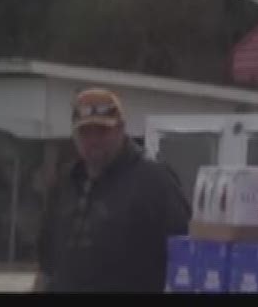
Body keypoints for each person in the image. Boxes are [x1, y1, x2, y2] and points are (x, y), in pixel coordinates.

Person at [32, 87, 191, 293]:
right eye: (85, 132)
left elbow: (184, 254)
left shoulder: (154, 181)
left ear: (121, 129)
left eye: (102, 130)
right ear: (74, 134)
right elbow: (47, 265)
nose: (94, 140)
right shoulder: (65, 183)